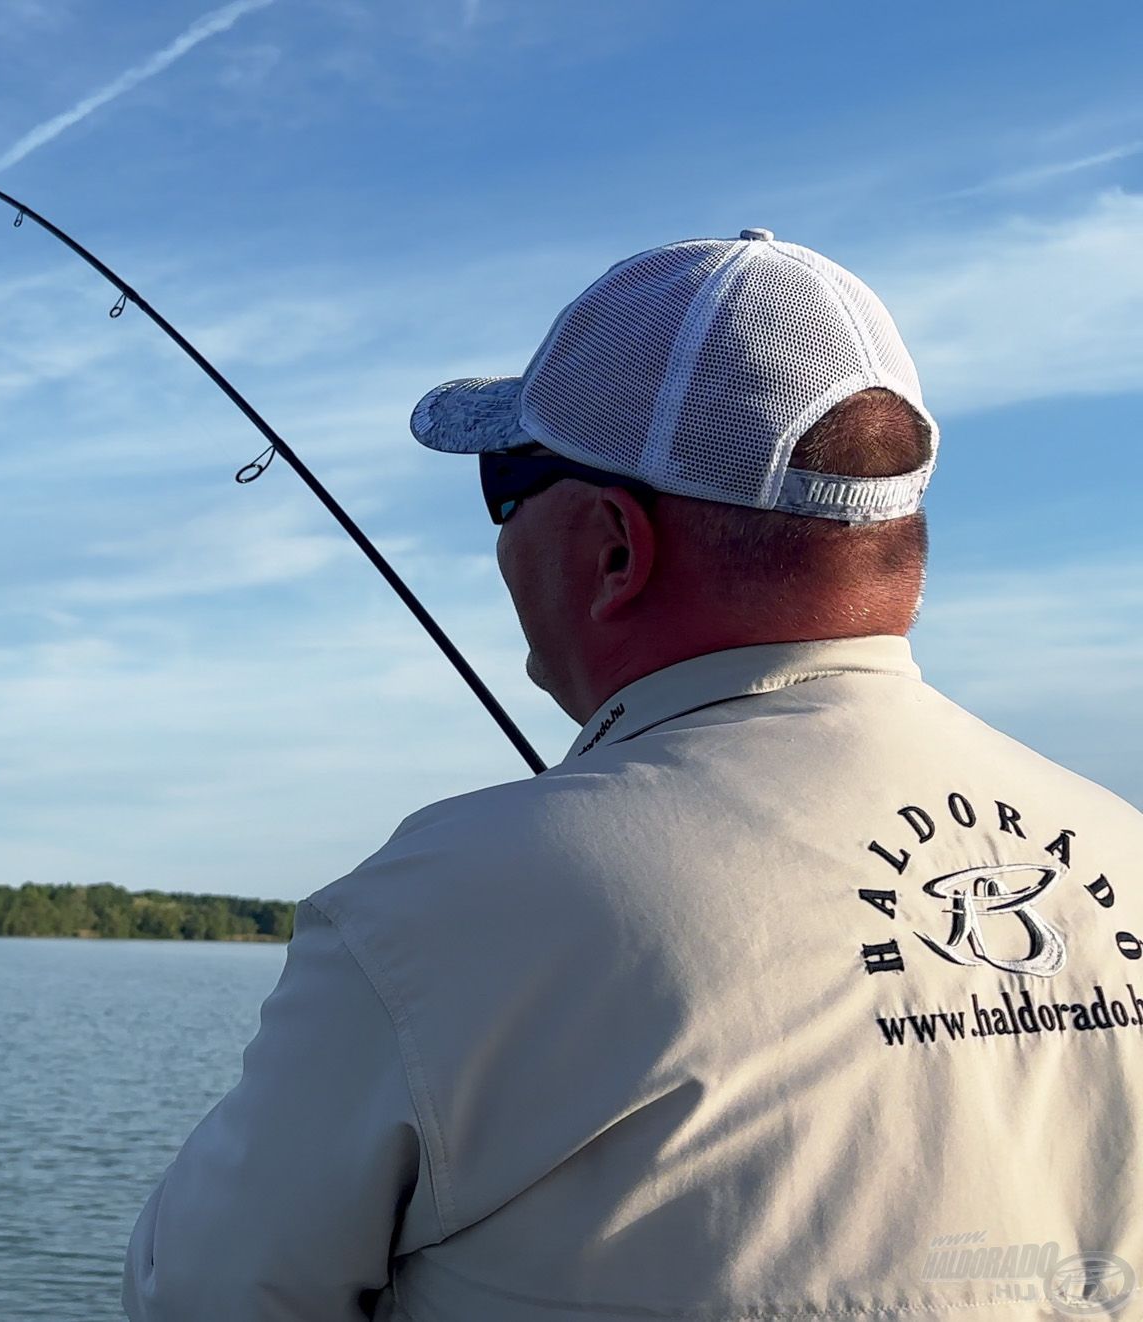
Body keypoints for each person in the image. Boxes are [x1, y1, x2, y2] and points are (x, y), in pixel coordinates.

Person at [123, 230, 1143, 1320]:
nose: (500, 540)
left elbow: (202, 1294)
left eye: (508, 483)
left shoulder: (439, 907)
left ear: (615, 545)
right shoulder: (1121, 842)